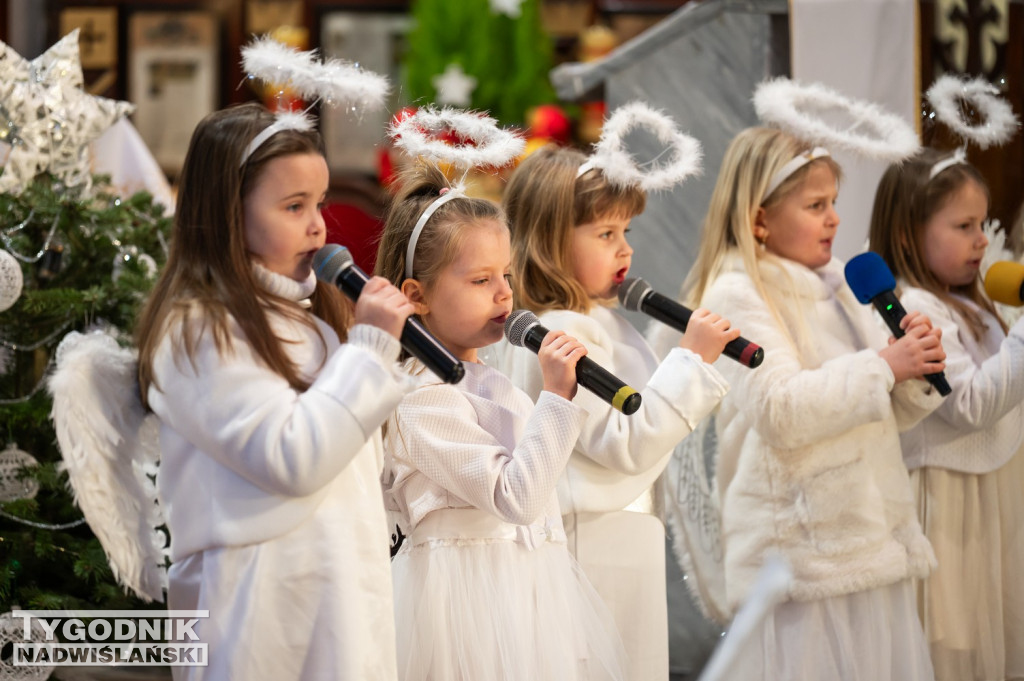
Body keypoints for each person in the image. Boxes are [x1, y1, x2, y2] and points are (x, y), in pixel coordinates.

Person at [134, 102, 414, 681]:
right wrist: (367, 351)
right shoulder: (197, 330)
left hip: (342, 592)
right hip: (257, 605)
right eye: (293, 207)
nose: (319, 226)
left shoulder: (311, 317)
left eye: (319, 204)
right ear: (226, 214)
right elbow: (293, 458)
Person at [681, 126, 946, 680]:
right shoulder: (736, 292)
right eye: (815, 205)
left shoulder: (840, 284)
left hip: (868, 534)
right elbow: (781, 411)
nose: (834, 219)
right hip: (801, 555)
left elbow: (879, 409)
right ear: (759, 219)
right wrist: (883, 366)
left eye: (834, 203)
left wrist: (913, 370)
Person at [375, 162, 628, 681]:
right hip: (462, 606)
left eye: (506, 276)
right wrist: (558, 396)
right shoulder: (421, 399)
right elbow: (516, 497)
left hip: (524, 598)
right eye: (480, 279)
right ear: (416, 295)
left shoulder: (495, 383)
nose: (504, 295)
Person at [498, 143, 736, 681]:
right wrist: (692, 359)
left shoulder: (598, 320)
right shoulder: (559, 332)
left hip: (623, 542)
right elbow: (627, 442)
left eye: (626, 232)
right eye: (606, 235)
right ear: (549, 242)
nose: (624, 249)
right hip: (591, 549)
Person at [869, 148, 1024, 681]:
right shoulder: (914, 309)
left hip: (995, 496)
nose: (982, 238)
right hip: (950, 504)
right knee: (954, 644)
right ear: (910, 233)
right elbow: (972, 406)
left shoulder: (974, 304)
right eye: (963, 225)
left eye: (982, 223)